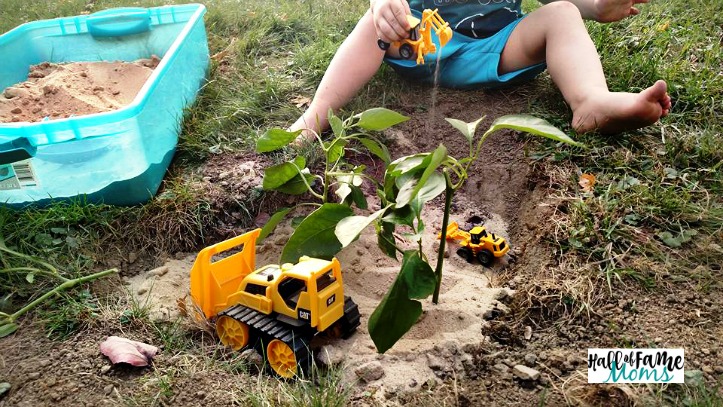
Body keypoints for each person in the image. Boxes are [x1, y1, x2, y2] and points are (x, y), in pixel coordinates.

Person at [289, 0, 671, 139]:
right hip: (421, 43)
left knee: (562, 14)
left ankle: (591, 101)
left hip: (496, 49)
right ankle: (315, 117)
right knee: (374, 24)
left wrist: (599, 6)